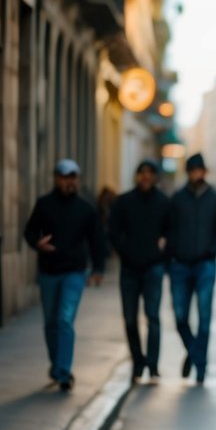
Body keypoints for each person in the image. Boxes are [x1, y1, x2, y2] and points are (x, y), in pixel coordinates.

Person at [23, 159, 104, 392]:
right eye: (64, 177)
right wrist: (36, 243)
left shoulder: (85, 208)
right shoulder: (44, 204)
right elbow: (29, 230)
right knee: (50, 323)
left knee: (64, 320)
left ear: (77, 179)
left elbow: (97, 239)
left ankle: (64, 372)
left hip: (74, 272)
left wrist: (98, 269)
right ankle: (56, 365)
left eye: (72, 177)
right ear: (56, 178)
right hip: (48, 271)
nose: (69, 181)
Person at [166, 153, 216, 384]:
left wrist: (212, 250)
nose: (196, 174)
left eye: (199, 170)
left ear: (204, 172)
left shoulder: (215, 198)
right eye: (192, 170)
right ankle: (194, 353)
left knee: (204, 319)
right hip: (180, 266)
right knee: (181, 317)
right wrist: (170, 257)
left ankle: (200, 368)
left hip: (205, 265)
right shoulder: (177, 199)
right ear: (188, 172)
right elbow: (169, 229)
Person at [109, 159, 170, 383]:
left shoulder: (164, 202)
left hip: (153, 268)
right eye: (141, 172)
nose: (145, 176)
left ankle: (153, 367)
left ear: (155, 176)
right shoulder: (124, 201)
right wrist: (124, 250)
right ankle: (138, 363)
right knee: (129, 319)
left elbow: (171, 231)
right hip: (129, 270)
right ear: (137, 176)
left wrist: (163, 249)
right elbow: (113, 231)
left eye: (150, 172)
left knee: (153, 318)